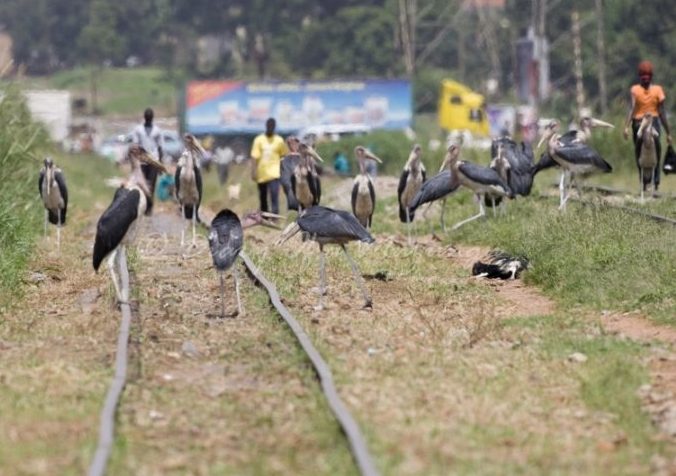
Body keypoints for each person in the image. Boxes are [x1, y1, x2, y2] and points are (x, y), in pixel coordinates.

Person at [623, 60, 672, 192]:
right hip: (638, 123)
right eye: (643, 77)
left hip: (654, 121)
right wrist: (627, 126)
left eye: (647, 77)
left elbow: (661, 112)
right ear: (640, 77)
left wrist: (668, 133)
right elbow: (632, 108)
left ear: (651, 77)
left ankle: (655, 182)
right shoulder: (635, 90)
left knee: (657, 148)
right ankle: (644, 182)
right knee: (639, 152)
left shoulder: (658, 90)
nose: (645, 80)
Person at [131, 108, 164, 214]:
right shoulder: (138, 130)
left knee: (152, 184)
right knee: (143, 183)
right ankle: (144, 205)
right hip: (142, 160)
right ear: (144, 117)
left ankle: (149, 207)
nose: (148, 118)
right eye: (147, 116)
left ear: (152, 117)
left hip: (153, 160)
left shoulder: (157, 131)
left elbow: (160, 147)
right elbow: (135, 145)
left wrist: (160, 164)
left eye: (150, 116)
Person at [250, 118, 287, 213]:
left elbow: (283, 156)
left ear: (274, 127)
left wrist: (284, 171)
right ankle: (264, 215)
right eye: (269, 126)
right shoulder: (259, 140)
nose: (270, 128)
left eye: (272, 127)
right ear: (266, 126)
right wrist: (253, 172)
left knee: (274, 195)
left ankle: (275, 216)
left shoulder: (279, 140)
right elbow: (254, 157)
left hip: (275, 174)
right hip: (261, 174)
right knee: (263, 197)